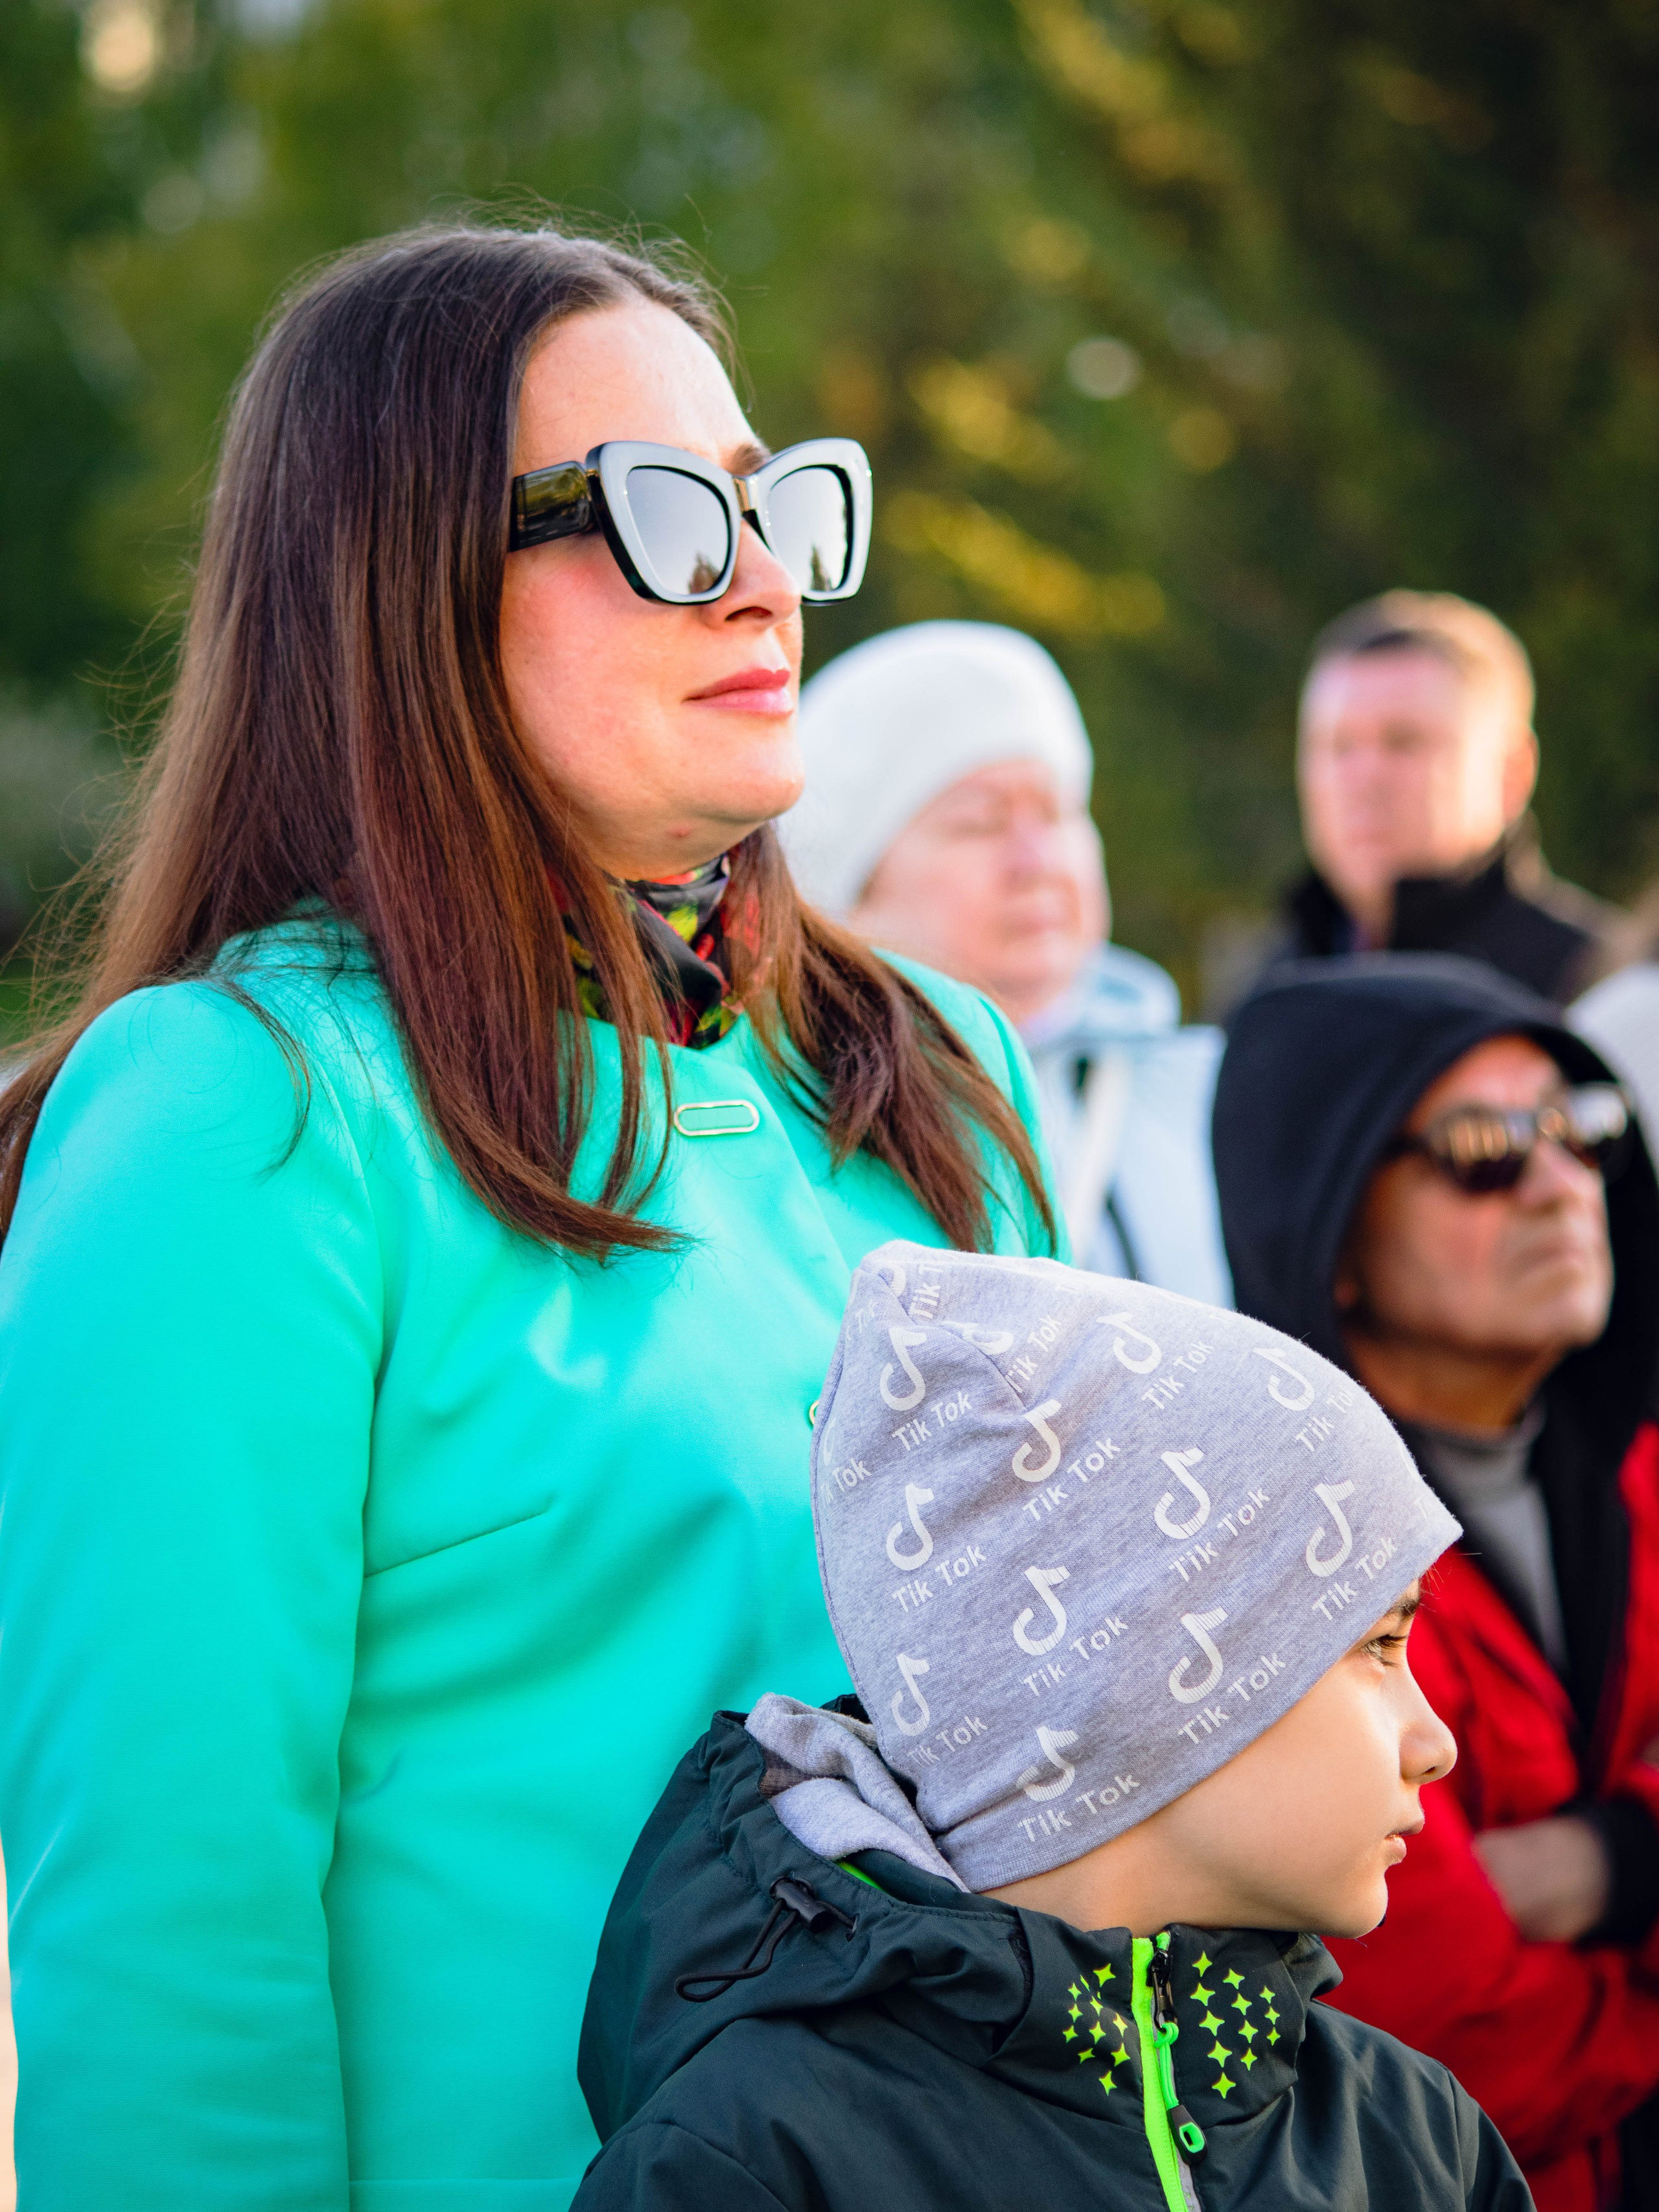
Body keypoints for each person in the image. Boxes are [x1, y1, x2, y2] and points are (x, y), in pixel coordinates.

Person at [0, 226, 1060, 2210]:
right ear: (397, 586)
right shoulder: (240, 1112)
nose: (761, 579)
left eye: (772, 503)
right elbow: (164, 1931)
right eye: (662, 514)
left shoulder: (935, 1069)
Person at [568, 1243, 1528, 2212]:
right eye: (1377, 1643)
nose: (1433, 1740)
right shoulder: (757, 2163)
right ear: (1145, 1676)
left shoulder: (1418, 2138)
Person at [1212, 954, 1659, 2212]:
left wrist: (1606, 1858)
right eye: (1480, 1147)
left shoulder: (1641, 1476)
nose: (1559, 1184)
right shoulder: (1285, 1566)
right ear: (1327, 1229)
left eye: (1583, 1133)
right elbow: (1438, 2038)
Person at [780, 621, 1230, 1303]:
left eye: (1056, 812)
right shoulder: (791, 1125)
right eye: (979, 822)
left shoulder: (1213, 1095)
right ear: (846, 892)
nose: (1036, 861)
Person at [1223, 591, 1619, 1014]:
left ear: (1511, 772)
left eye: (1405, 742)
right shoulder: (1265, 989)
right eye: (1338, 746)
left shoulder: (1599, 985)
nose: (1363, 778)